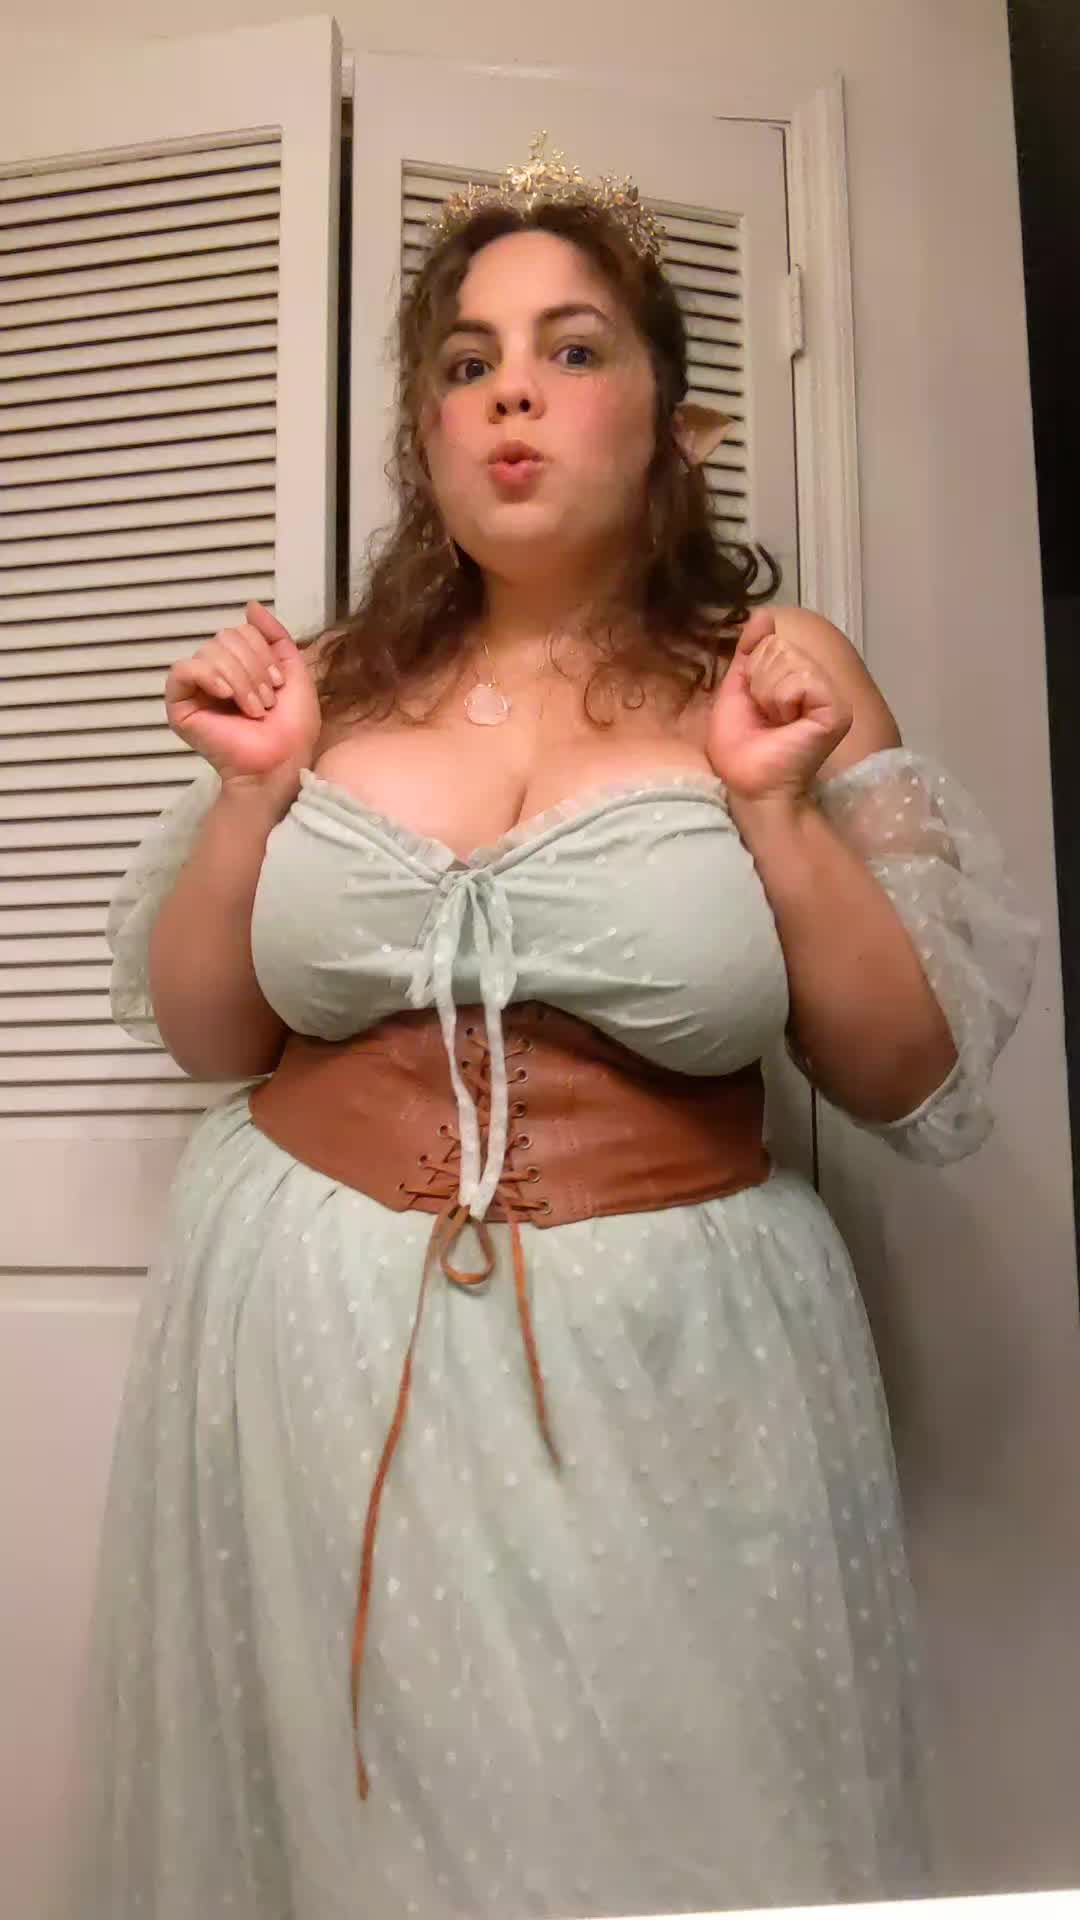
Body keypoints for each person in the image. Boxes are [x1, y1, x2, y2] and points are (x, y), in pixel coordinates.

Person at [66, 139, 1038, 1920]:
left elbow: (907, 1075)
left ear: (675, 425)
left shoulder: (779, 667)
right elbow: (210, 1033)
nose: (511, 388)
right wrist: (251, 797)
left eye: (574, 348)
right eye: (468, 361)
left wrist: (773, 811)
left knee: (661, 1829)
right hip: (293, 1336)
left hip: (678, 1367)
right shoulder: (328, 681)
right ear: (429, 438)